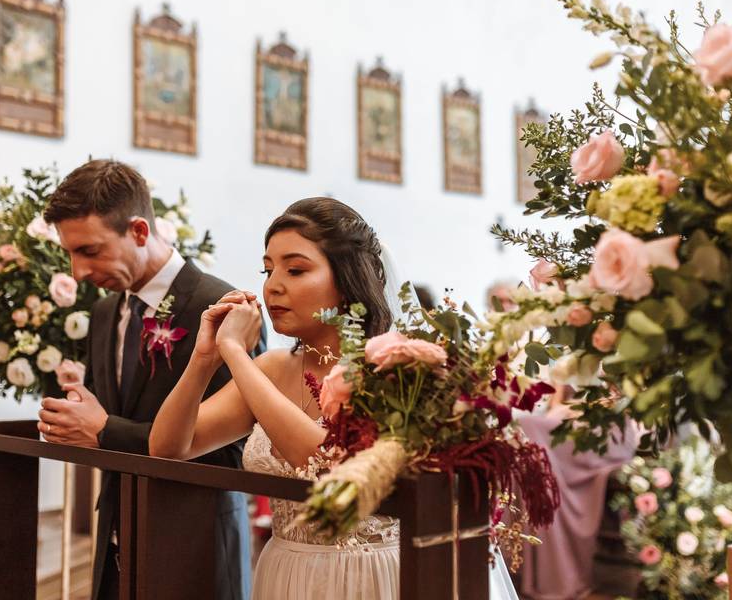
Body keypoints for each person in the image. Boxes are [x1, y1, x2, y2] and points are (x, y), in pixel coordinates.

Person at [149, 197, 520, 600]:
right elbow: (169, 446)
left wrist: (237, 354)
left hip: (376, 576)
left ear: (346, 280)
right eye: (268, 269)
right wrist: (205, 359)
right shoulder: (271, 369)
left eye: (295, 269)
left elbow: (326, 465)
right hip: (288, 574)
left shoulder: (396, 367)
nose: (273, 285)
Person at [37, 159, 256, 600]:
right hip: (117, 536)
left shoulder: (220, 306)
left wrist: (103, 431)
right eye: (70, 253)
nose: (77, 272)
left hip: (196, 543)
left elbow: (235, 450)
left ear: (139, 231)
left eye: (89, 251)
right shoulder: (105, 312)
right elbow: (98, 420)